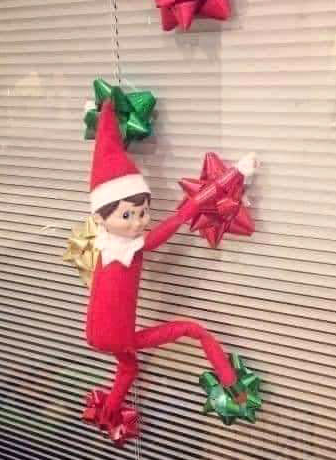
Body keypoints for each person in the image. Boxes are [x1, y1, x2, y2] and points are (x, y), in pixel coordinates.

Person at [84, 100, 257, 430]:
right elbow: (179, 218)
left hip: (97, 335)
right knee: (194, 330)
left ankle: (108, 416)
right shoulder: (131, 247)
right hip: (118, 336)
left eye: (142, 213)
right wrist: (234, 174)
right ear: (100, 217)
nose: (138, 222)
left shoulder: (104, 243)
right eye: (126, 215)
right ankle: (234, 387)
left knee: (128, 368)